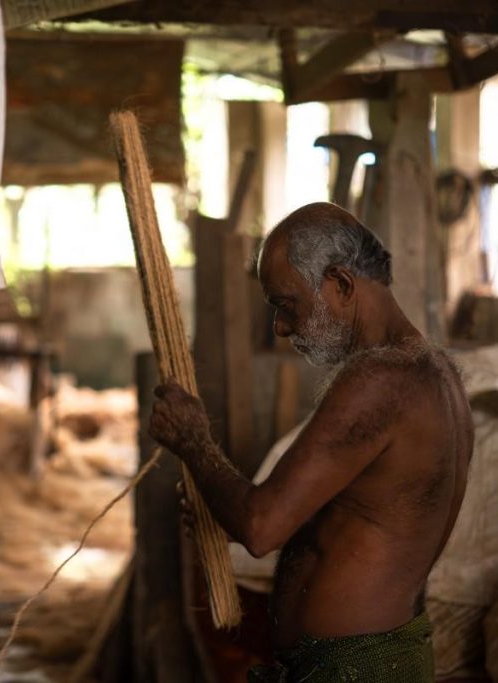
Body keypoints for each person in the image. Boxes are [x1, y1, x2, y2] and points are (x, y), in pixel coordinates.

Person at [148, 202, 473, 682]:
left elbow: (261, 526)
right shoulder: (437, 373)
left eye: (286, 304)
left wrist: (194, 441)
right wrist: (222, 505)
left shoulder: (379, 380)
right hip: (374, 659)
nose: (281, 327)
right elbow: (350, 518)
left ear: (340, 284)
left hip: (355, 669)